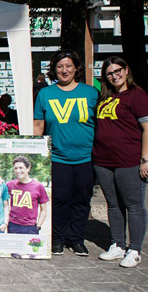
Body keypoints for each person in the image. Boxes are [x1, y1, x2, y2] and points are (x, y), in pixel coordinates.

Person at [33, 49, 97, 256]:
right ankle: (58, 238)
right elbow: (38, 125)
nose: (64, 70)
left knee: (81, 199)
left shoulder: (91, 93)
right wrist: (36, 153)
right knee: (60, 199)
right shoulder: (45, 94)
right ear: (54, 70)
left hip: (86, 157)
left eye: (68, 66)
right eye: (60, 66)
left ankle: (77, 239)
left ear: (76, 68)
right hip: (58, 157)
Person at [94, 56, 148, 268]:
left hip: (129, 160)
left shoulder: (138, 96)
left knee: (134, 205)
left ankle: (135, 249)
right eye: (110, 73)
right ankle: (117, 244)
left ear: (126, 70)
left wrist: (145, 159)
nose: (114, 76)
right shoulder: (105, 97)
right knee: (113, 204)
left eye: (118, 70)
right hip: (103, 160)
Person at [6, 156, 48, 235]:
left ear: (28, 168)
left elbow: (44, 209)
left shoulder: (38, 186)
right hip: (13, 225)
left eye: (21, 168)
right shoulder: (10, 185)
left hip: (30, 227)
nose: (18, 171)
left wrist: (38, 226)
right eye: (15, 168)